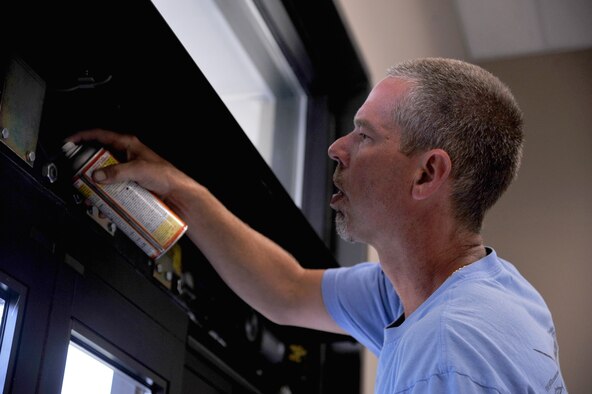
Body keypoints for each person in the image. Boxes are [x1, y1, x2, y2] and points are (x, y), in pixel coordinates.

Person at [66, 57, 567, 393]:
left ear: (427, 173)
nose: (336, 148)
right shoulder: (434, 291)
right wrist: (178, 190)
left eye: (365, 136)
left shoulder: (447, 352)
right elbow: (286, 290)